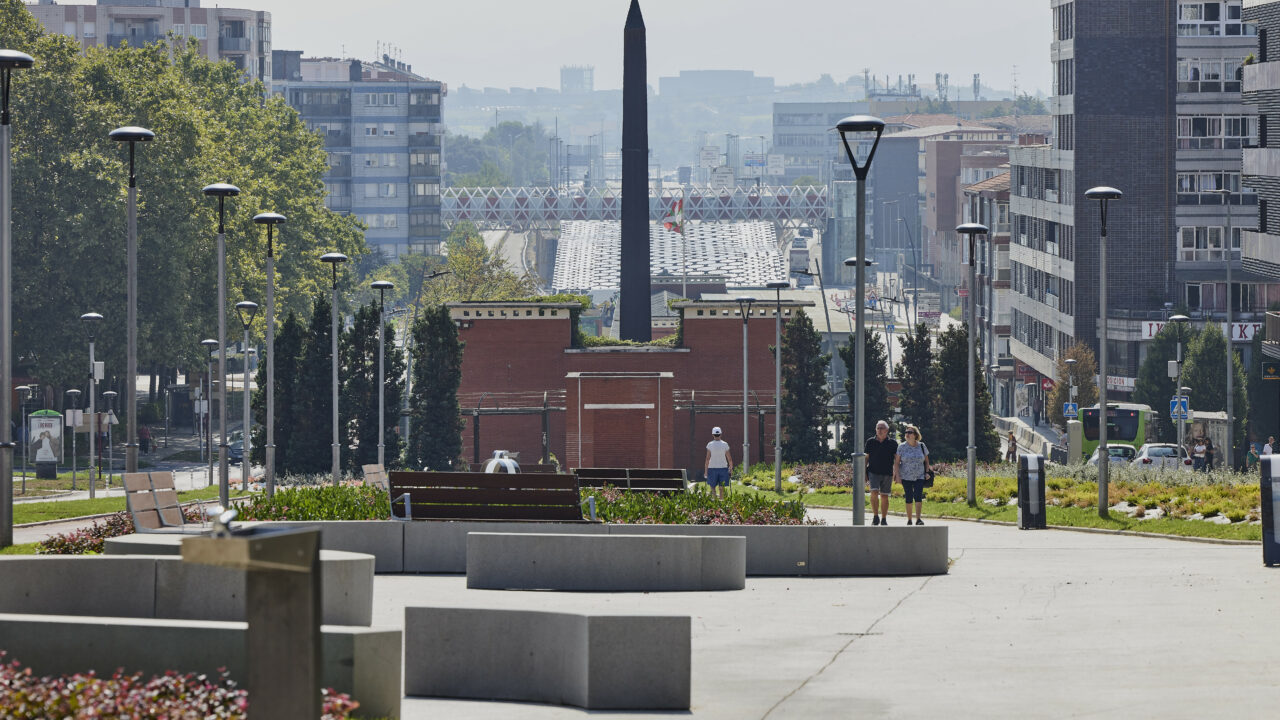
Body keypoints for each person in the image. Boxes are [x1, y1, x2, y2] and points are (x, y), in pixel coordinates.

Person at [893, 425, 931, 526]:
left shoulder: (922, 445)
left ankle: (918, 519)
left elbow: (927, 461)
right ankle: (909, 519)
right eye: (906, 432)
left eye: (910, 432)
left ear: (915, 435)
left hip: (919, 476)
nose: (907, 434)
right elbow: (896, 463)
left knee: (918, 496)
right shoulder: (901, 447)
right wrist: (897, 476)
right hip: (906, 476)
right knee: (909, 497)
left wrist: (927, 472)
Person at [865, 420, 898, 526]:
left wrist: (897, 473)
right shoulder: (870, 441)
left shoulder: (893, 443)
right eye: (878, 428)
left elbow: (897, 460)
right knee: (874, 492)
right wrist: (864, 472)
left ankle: (883, 518)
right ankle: (875, 516)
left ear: (887, 430)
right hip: (873, 471)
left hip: (887, 473)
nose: (879, 430)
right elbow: (866, 458)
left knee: (884, 496)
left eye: (881, 428)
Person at [704, 426, 733, 500]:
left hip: (712, 468)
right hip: (723, 469)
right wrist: (731, 469)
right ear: (721, 434)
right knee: (721, 488)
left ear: (712, 434)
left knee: (712, 487)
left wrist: (706, 472)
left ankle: (714, 502)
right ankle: (721, 501)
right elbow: (729, 459)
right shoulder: (725, 444)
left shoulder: (710, 444)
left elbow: (707, 459)